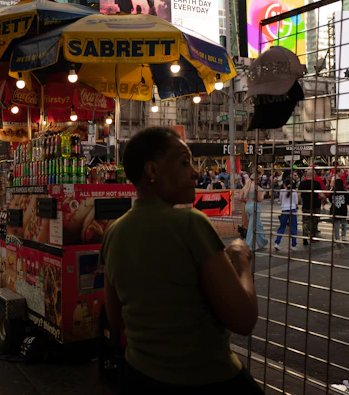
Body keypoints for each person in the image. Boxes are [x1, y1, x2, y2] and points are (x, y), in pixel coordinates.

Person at [100, 127, 262, 394]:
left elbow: (115, 318)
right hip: (205, 377)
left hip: (138, 376)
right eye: (184, 163)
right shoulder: (190, 223)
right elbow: (243, 319)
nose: (195, 172)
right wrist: (240, 259)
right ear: (152, 171)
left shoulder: (113, 232)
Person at [299, 169, 326, 246]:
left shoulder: (302, 183)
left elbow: (299, 194)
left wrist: (297, 203)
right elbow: (321, 194)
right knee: (314, 222)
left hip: (306, 205)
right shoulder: (316, 183)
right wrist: (325, 198)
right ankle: (312, 237)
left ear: (307, 175)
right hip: (315, 205)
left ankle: (305, 237)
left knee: (305, 222)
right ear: (314, 175)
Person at [243, 174, 269, 251]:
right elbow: (259, 199)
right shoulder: (256, 188)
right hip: (255, 206)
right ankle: (249, 245)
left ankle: (262, 241)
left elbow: (240, 198)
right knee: (252, 226)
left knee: (257, 224)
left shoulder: (246, 187)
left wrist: (247, 202)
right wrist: (263, 194)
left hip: (247, 205)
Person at [274, 178, 298, 251]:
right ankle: (293, 245)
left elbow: (280, 200)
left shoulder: (282, 191)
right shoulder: (294, 192)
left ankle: (277, 243)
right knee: (293, 227)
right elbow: (296, 202)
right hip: (292, 209)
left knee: (282, 227)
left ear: (284, 184)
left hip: (284, 209)